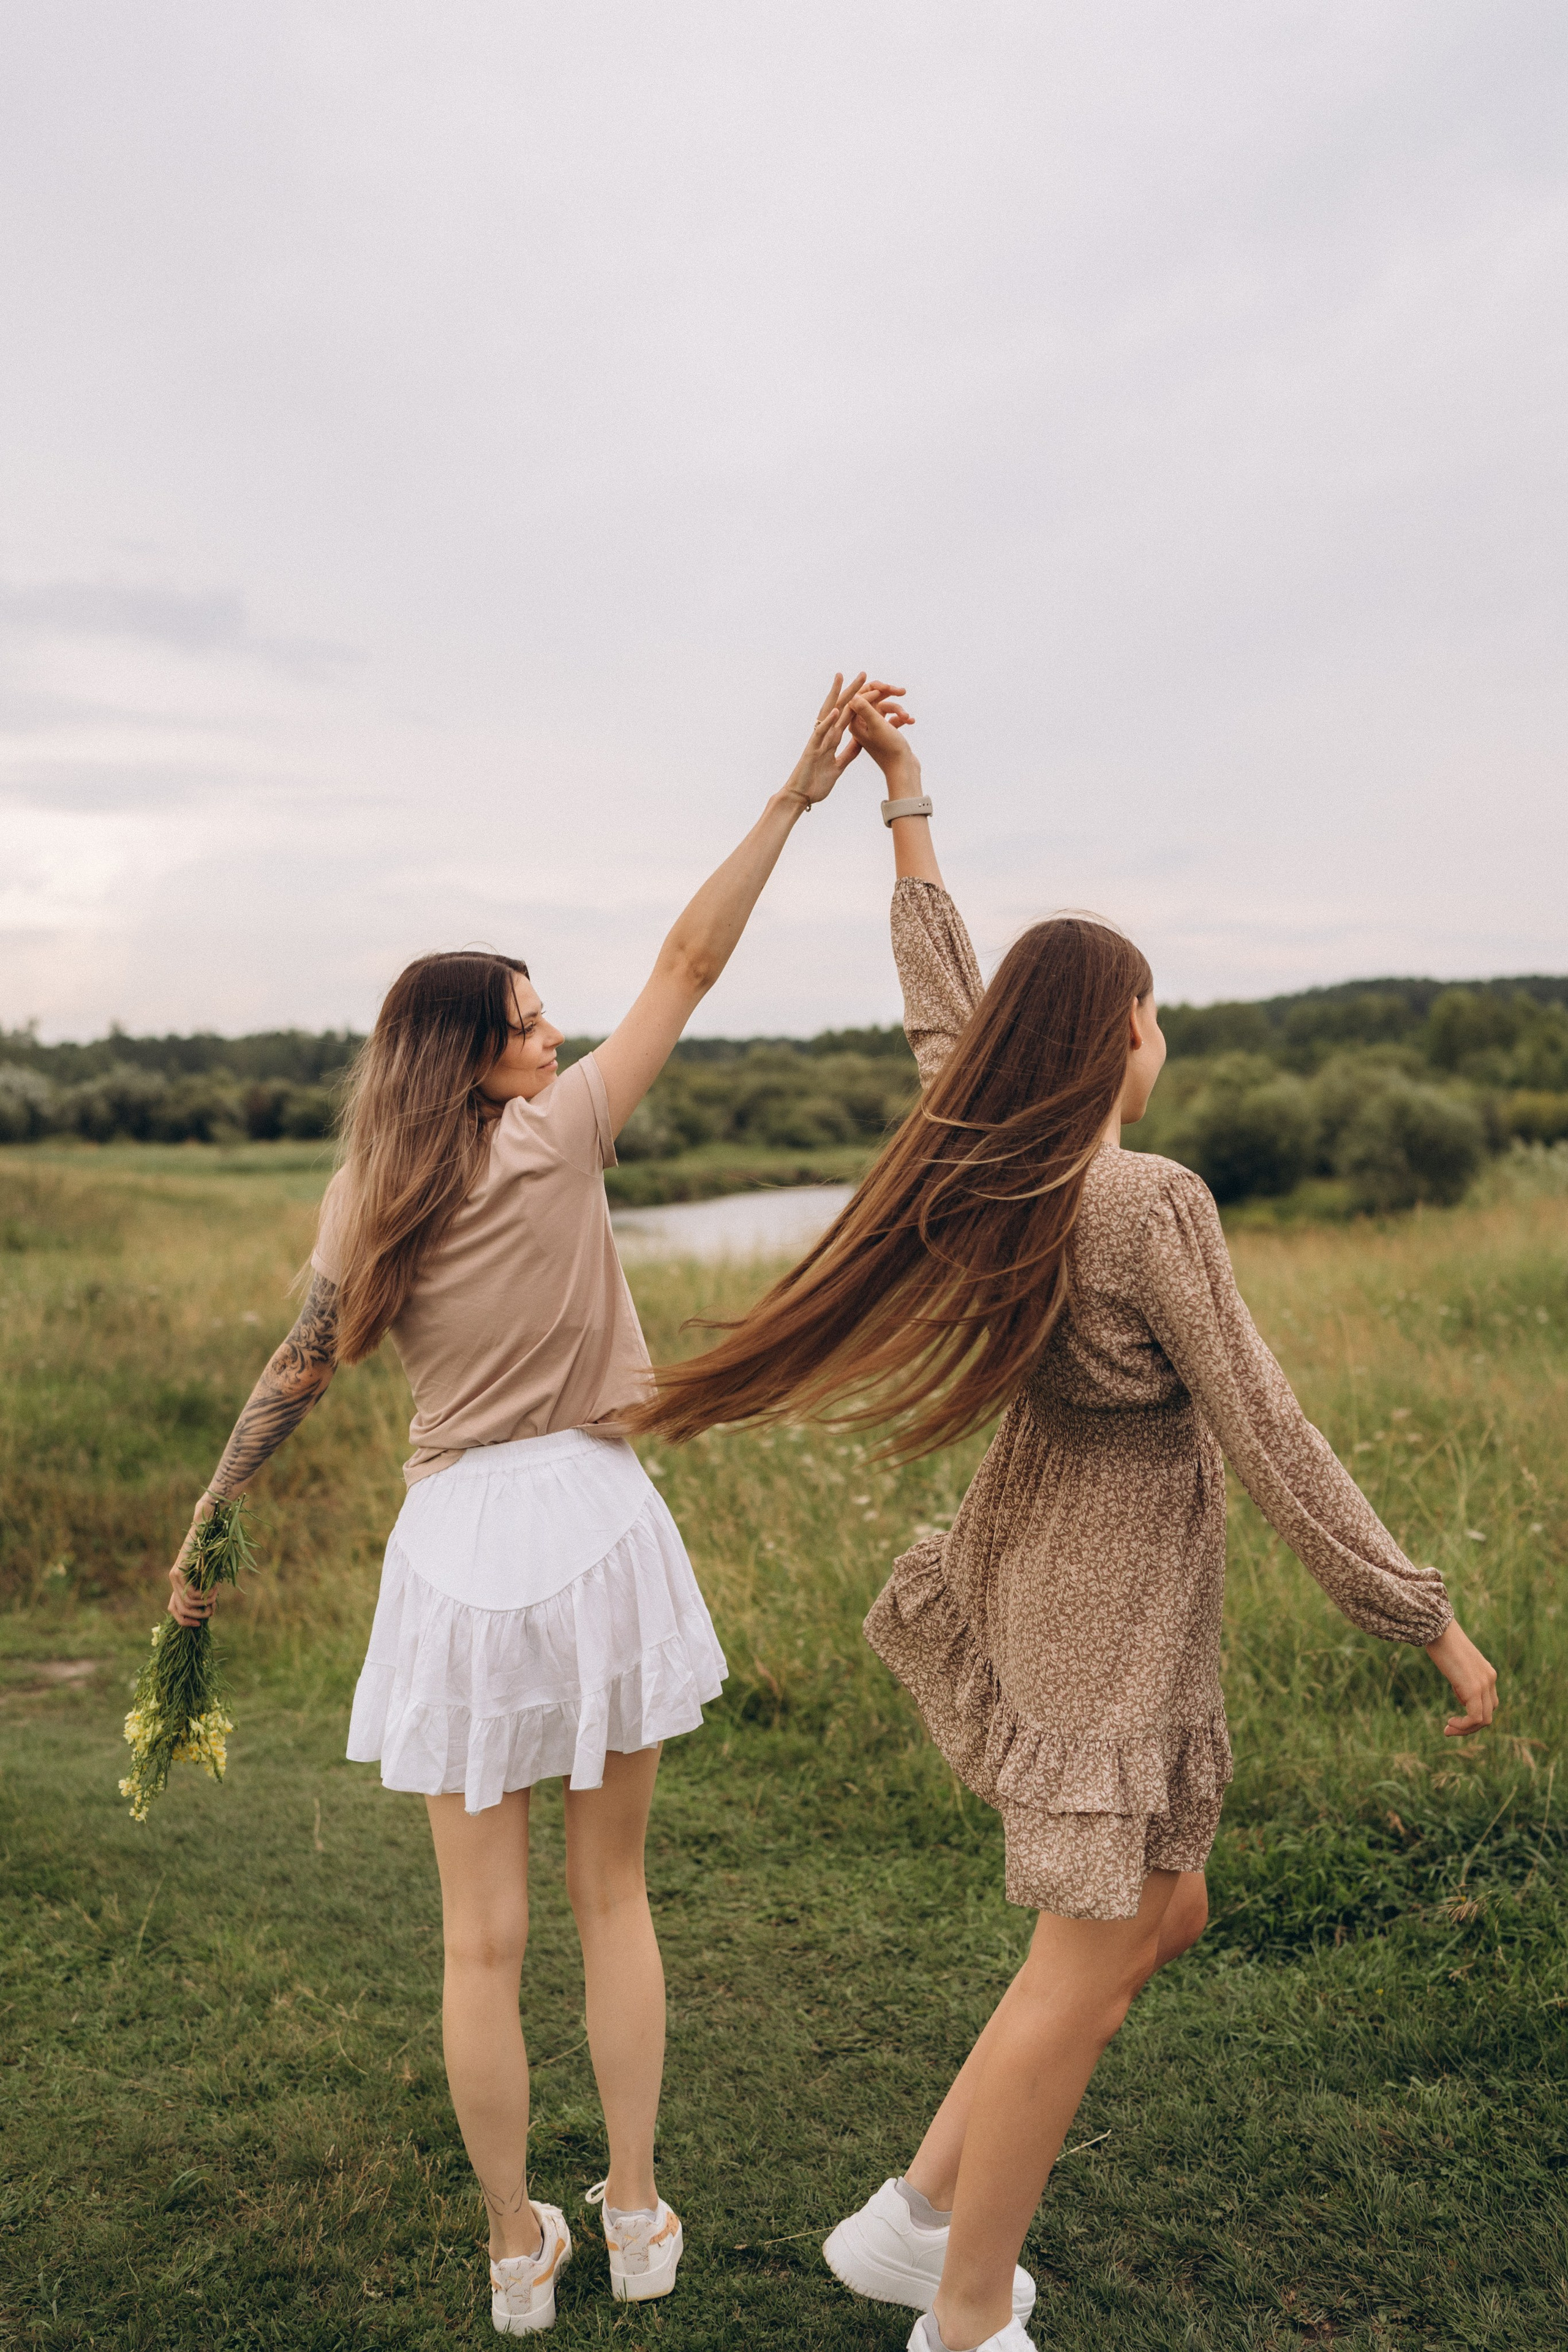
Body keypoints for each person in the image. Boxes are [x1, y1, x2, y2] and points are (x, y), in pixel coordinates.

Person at [628, 688, 1500, 2352]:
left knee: (1163, 1916)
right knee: (1077, 1971)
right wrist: (1426, 1618)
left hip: (1058, 1583)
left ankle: (909, 2223)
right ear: (1114, 1040)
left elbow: (941, 1026)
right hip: (1101, 1618)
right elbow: (1271, 1431)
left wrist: (910, 810)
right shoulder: (1144, 1201)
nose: (1167, 1038)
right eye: (1156, 1015)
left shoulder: (996, 1168)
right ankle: (962, 2314)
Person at [164, 674, 880, 2337]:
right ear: (479, 1057)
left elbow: (296, 1372)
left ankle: (516, 2253)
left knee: (477, 1946)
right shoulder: (561, 1133)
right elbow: (693, 965)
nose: (556, 1038)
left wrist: (205, 1539)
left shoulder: (370, 1188)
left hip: (460, 1552)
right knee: (610, 1895)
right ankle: (632, 2213)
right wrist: (793, 799)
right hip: (597, 1524)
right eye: (534, 1023)